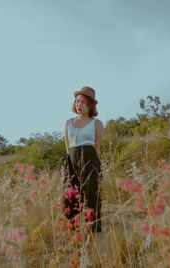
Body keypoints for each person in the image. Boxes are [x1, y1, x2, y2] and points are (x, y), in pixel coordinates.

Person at [62, 86, 104, 245]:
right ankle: (72, 230)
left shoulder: (97, 123)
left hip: (90, 160)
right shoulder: (68, 123)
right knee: (69, 195)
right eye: (77, 101)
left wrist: (89, 160)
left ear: (90, 106)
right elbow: (67, 146)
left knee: (91, 194)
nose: (79, 104)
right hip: (72, 160)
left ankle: (92, 232)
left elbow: (97, 147)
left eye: (84, 102)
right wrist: (73, 159)